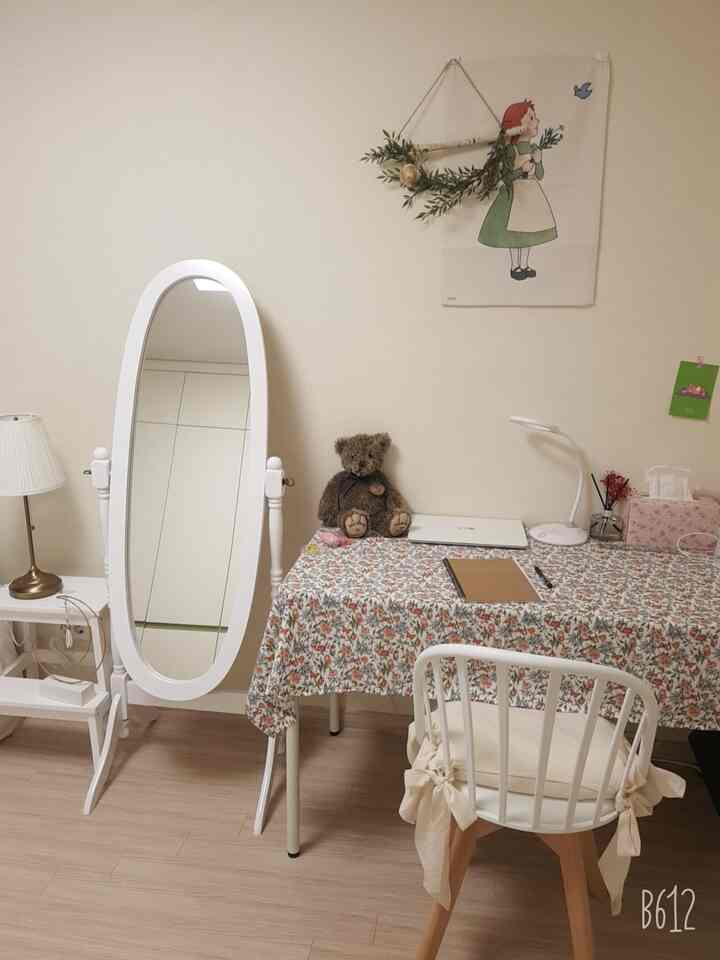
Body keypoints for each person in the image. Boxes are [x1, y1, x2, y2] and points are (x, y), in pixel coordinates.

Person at [478, 99, 558, 280]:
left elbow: (540, 174)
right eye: (530, 118)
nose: (536, 121)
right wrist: (519, 171)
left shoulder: (534, 148)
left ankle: (525, 265)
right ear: (516, 125)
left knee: (529, 230)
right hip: (515, 194)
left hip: (531, 193)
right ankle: (515, 266)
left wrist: (538, 162)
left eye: (535, 118)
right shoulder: (511, 150)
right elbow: (505, 177)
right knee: (516, 232)